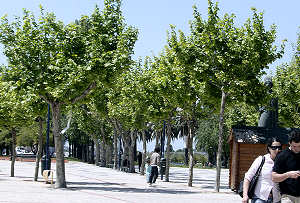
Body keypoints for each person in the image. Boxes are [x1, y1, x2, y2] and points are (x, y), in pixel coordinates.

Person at [242, 137, 282, 203]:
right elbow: (247, 177)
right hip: (260, 198)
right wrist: (245, 196)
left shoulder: (283, 161)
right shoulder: (261, 160)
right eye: (274, 147)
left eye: (279, 148)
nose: (277, 150)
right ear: (269, 148)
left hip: (276, 199)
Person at [272, 131, 300, 203]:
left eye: (299, 146)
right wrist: (288, 174)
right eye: (294, 146)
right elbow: (274, 177)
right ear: (289, 143)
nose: (297, 149)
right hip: (287, 197)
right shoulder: (282, 156)